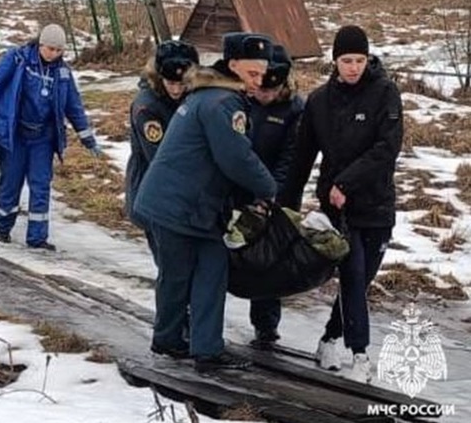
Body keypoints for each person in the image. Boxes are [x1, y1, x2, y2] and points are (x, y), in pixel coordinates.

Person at [133, 32, 277, 374]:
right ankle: (206, 350)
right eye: (252, 73)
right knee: (209, 271)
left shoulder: (208, 95)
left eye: (262, 74)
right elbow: (235, 158)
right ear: (232, 65)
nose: (258, 81)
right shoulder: (222, 103)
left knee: (177, 276)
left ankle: (169, 339)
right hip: (183, 205)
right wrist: (269, 189)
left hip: (171, 202)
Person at [281, 25, 403, 383]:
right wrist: (285, 207)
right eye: (346, 60)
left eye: (360, 60)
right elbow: (302, 157)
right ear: (335, 61)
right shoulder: (320, 101)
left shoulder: (385, 94)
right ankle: (360, 354)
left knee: (361, 280)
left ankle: (329, 338)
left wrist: (347, 182)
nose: (353, 67)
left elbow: (387, 147)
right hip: (338, 209)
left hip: (376, 203)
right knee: (351, 274)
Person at [0, 24, 98, 250]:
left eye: (59, 50)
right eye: (50, 49)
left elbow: (73, 106)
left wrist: (87, 137)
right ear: (40, 44)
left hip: (43, 138)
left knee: (41, 185)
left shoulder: (62, 73)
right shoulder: (18, 59)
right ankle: (3, 230)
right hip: (15, 135)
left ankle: (37, 238)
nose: (54, 54)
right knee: (10, 185)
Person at [247, 44, 305, 350]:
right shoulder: (242, 98)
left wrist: (270, 198)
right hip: (240, 189)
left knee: (267, 262)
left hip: (276, 195)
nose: (263, 96)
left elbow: (290, 161)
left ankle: (266, 326)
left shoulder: (295, 110)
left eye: (270, 91)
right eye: (259, 89)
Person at [126, 39, 198, 265]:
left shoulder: (194, 94)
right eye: (170, 83)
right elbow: (161, 159)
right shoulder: (147, 107)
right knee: (171, 268)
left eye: (181, 83)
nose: (176, 89)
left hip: (185, 196)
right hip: (155, 192)